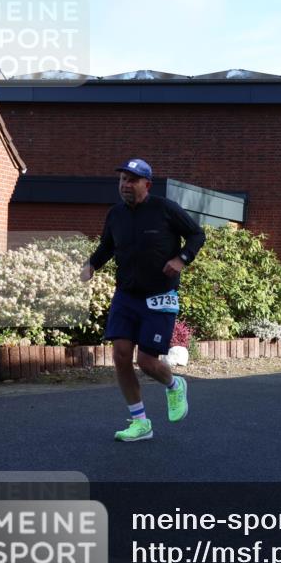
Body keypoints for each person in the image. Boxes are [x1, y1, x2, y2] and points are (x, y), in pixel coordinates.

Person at [81, 158, 205, 442]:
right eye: (122, 180)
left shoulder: (164, 209)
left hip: (160, 296)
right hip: (126, 295)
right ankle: (140, 422)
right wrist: (90, 266)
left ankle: (174, 385)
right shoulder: (115, 215)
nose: (125, 185)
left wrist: (181, 259)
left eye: (132, 180)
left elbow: (197, 234)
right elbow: (106, 247)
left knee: (147, 362)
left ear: (146, 185)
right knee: (120, 355)